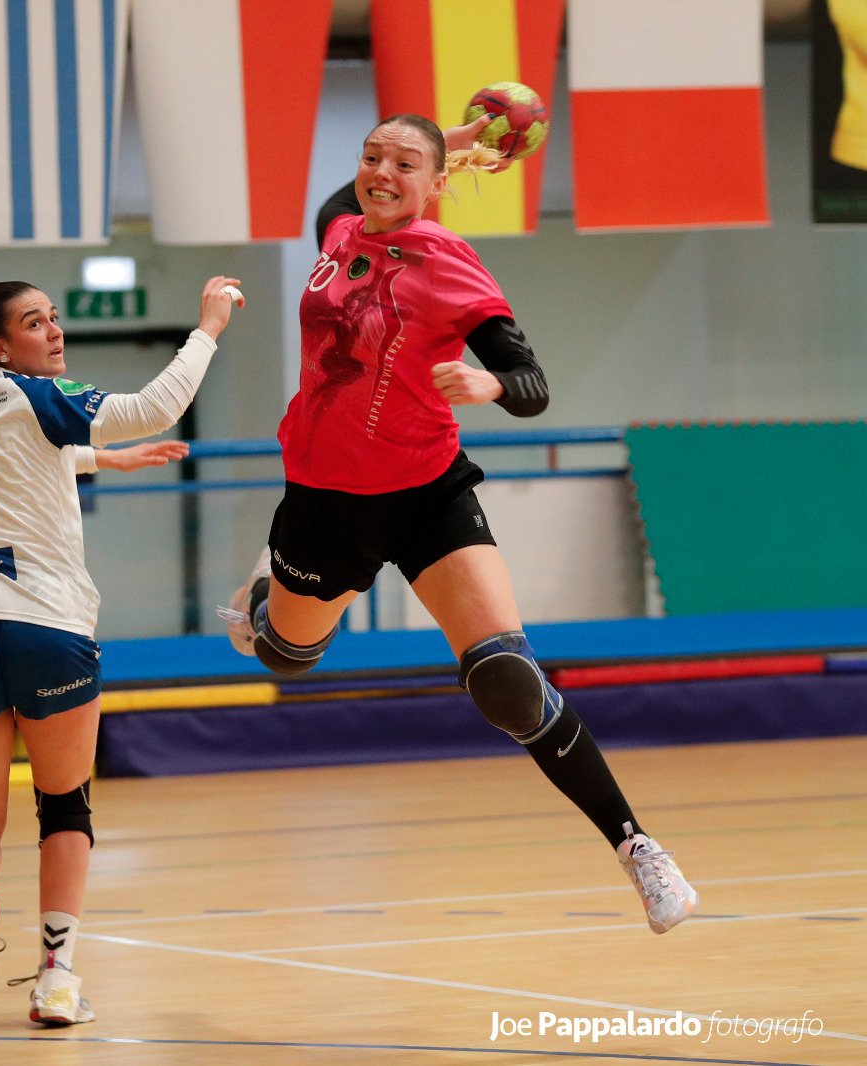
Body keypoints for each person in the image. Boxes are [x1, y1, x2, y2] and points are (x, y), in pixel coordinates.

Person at [224, 113, 698, 934]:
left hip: (425, 493)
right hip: (323, 501)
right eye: (373, 157)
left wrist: (490, 387)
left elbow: (531, 379)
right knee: (285, 656)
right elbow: (361, 193)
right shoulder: (339, 230)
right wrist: (451, 133)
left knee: (506, 679)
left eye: (406, 165)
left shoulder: (448, 262)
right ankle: (268, 600)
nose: (383, 173)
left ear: (439, 187)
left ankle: (638, 848)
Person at [0, 276, 238, 1025]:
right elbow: (154, 407)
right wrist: (207, 326)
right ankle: (55, 979)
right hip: (46, 628)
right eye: (33, 322)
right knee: (65, 807)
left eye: (54, 318)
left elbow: (21, 463)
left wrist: (103, 462)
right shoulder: (41, 393)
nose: (53, 331)